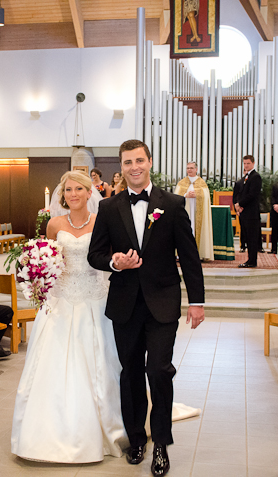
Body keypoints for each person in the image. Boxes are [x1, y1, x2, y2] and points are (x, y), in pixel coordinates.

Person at [88, 139, 205, 477]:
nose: (134, 167)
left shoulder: (172, 202)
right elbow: (94, 254)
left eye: (139, 160)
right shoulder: (109, 208)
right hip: (125, 303)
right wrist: (115, 261)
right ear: (121, 167)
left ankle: (162, 446)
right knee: (131, 374)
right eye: (127, 162)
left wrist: (196, 301)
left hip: (163, 302)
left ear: (150, 162)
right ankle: (136, 438)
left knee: (158, 370)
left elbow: (189, 257)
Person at [12, 171, 127, 463]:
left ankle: (106, 425)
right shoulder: (54, 224)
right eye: (68, 190)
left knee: (99, 361)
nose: (72, 194)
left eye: (79, 189)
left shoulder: (103, 222)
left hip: (93, 299)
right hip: (60, 301)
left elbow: (108, 258)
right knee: (51, 363)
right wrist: (37, 272)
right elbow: (46, 256)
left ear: (90, 193)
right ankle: (47, 432)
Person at [174, 161, 214, 261]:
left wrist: (198, 196)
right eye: (188, 168)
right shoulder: (181, 183)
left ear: (196, 169)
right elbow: (176, 198)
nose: (189, 170)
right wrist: (185, 196)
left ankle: (199, 254)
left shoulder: (202, 183)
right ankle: (181, 254)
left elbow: (206, 197)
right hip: (185, 213)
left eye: (191, 168)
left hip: (197, 213)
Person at [235, 155, 262, 268]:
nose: (246, 165)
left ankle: (252, 261)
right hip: (245, 213)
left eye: (248, 163)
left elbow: (252, 195)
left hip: (251, 213)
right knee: (246, 237)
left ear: (253, 163)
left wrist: (240, 204)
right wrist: (237, 205)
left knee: (252, 238)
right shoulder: (246, 177)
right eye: (244, 163)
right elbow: (240, 193)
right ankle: (250, 259)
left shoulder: (255, 177)